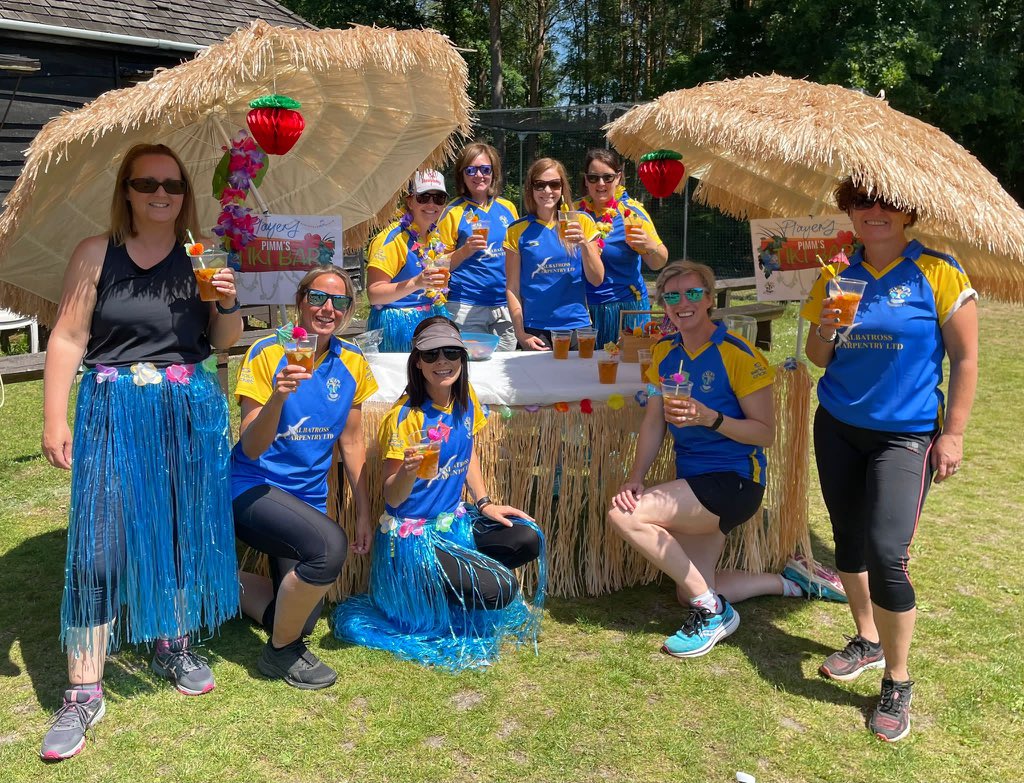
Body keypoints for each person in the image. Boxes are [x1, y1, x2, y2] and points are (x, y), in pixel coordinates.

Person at [39, 143, 243, 761]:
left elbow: (221, 341)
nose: (162, 194)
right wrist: (54, 419)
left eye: (174, 186)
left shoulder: (201, 257)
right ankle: (82, 691)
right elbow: (70, 336)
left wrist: (227, 300)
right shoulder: (95, 254)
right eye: (147, 183)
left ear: (186, 196)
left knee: (180, 531)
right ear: (126, 190)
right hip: (114, 408)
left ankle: (171, 641)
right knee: (102, 546)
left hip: (187, 409)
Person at [801, 179, 978, 742]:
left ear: (907, 211)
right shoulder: (836, 272)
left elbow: (967, 359)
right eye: (861, 203)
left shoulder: (940, 271)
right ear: (849, 212)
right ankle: (868, 640)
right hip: (838, 426)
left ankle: (898, 681)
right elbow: (816, 354)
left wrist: (952, 436)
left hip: (906, 436)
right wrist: (827, 327)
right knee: (848, 542)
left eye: (886, 203)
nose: (873, 213)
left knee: (886, 553)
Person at [333, 316, 545, 671]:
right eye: (431, 355)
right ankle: (432, 596)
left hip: (453, 523)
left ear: (462, 357)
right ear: (417, 362)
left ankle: (460, 589)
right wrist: (409, 471)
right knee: (500, 589)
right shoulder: (405, 417)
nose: (442, 362)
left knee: (526, 538)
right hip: (414, 542)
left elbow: (469, 450)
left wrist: (485, 503)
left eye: (451, 352)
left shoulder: (465, 399)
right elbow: (393, 498)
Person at [607, 261, 776, 659]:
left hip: (735, 482)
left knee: (624, 515)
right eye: (672, 296)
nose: (683, 303)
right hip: (694, 484)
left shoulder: (738, 353)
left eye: (693, 293)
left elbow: (765, 432)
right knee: (691, 588)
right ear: (663, 305)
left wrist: (710, 418)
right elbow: (654, 423)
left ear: (710, 298)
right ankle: (788, 583)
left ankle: (712, 612)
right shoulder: (664, 352)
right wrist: (635, 477)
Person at [231, 266, 376, 689]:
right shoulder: (265, 352)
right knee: (329, 547)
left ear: (349, 311)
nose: (327, 309)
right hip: (252, 488)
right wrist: (278, 396)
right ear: (300, 301)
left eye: (340, 301)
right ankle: (279, 656)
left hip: (307, 499)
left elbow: (351, 444)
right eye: (317, 298)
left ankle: (220, 580)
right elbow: (251, 447)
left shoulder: (352, 363)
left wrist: (363, 514)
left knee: (295, 618)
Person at [505, 158, 604, 350]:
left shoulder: (581, 222)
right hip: (536, 329)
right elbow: (512, 288)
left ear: (562, 187)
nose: (547, 191)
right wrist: (520, 333)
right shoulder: (517, 230)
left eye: (554, 184)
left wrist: (584, 243)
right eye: (540, 185)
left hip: (576, 326)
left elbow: (597, 279)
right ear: (530, 189)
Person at [576, 149, 668, 345]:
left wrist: (651, 246)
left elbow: (658, 263)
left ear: (618, 178)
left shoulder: (631, 213)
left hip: (626, 309)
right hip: (582, 308)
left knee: (628, 371)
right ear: (586, 180)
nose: (600, 184)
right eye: (593, 178)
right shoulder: (574, 213)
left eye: (607, 177)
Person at [436, 142, 520, 350]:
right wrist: (465, 250)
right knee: (473, 369)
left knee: (505, 370)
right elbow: (438, 264)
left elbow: (518, 256)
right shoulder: (453, 212)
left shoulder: (507, 208)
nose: (479, 175)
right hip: (466, 305)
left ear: (494, 173)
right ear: (462, 174)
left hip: (504, 305)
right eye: (471, 170)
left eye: (485, 169)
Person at [366, 170, 451, 352]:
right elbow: (374, 295)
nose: (431, 204)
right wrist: (416, 282)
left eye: (439, 198)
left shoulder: (433, 237)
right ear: (410, 201)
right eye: (423, 197)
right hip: (399, 325)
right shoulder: (391, 239)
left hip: (431, 319)